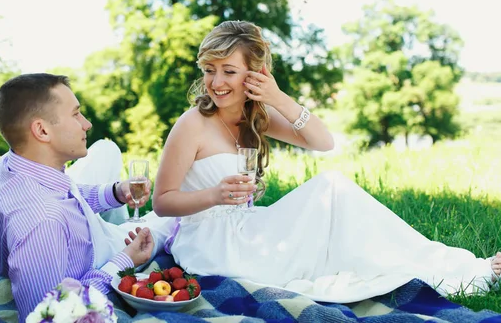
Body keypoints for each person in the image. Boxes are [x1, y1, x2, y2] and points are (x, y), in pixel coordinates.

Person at [152, 20, 501, 302]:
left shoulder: (255, 116)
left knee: (333, 191)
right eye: (210, 69)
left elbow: (323, 142)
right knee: (330, 194)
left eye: (229, 71)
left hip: (246, 230)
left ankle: (457, 268)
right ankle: (458, 269)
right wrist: (214, 195)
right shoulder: (192, 124)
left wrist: (280, 99)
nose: (216, 82)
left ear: (254, 75)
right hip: (213, 247)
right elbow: (162, 201)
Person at [0, 73, 173, 322]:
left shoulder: (15, 163)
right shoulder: (43, 223)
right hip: (94, 253)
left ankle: (118, 218)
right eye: (76, 114)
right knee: (171, 220)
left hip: (76, 232)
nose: (87, 123)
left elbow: (68, 194)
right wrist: (125, 260)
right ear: (41, 130)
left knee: (106, 148)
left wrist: (115, 192)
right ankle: (125, 228)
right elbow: (49, 314)